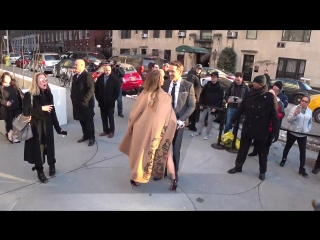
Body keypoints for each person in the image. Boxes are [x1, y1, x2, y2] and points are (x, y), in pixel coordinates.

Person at [119, 70, 178, 191]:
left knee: (140, 154)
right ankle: (174, 179)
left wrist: (130, 128)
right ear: (160, 81)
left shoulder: (144, 94)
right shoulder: (166, 97)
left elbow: (134, 114)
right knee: (166, 155)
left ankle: (136, 179)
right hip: (158, 132)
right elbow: (170, 118)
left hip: (140, 130)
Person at [227, 75, 279, 180]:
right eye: (254, 82)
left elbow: (275, 116)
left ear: (261, 85)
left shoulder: (269, 97)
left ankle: (262, 171)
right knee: (243, 149)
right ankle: (238, 166)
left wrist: (275, 132)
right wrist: (232, 120)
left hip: (261, 129)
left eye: (256, 82)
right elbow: (241, 109)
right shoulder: (249, 94)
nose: (253, 84)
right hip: (248, 126)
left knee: (262, 152)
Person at [153, 60, 196, 181]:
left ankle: (174, 172)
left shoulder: (188, 86)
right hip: (164, 122)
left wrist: (181, 120)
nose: (170, 73)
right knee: (162, 148)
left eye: (173, 71)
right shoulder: (165, 84)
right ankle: (161, 171)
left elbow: (192, 106)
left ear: (180, 72)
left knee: (176, 149)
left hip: (178, 124)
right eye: (169, 70)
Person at [23, 72, 66, 183]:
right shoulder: (29, 95)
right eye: (41, 79)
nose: (44, 81)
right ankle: (40, 171)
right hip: (36, 127)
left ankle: (52, 165)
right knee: (39, 149)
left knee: (50, 147)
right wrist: (41, 108)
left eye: (45, 79)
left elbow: (53, 112)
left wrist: (58, 128)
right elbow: (26, 111)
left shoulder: (48, 93)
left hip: (48, 125)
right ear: (36, 82)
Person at [279, 95, 312, 178]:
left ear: (308, 103)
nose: (303, 102)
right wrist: (295, 114)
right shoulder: (295, 108)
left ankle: (302, 168)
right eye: (302, 100)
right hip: (293, 132)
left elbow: (310, 122)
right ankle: (283, 160)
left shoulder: (309, 111)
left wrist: (307, 129)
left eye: (305, 101)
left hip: (303, 134)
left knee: (303, 151)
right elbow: (289, 120)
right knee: (288, 146)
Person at [248, 88, 284, 157]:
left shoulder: (279, 103)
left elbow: (282, 114)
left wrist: (273, 115)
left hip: (270, 127)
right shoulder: (263, 100)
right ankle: (255, 151)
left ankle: (264, 156)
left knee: (267, 143)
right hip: (261, 125)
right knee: (257, 140)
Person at [191, 71, 223, 140]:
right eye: (212, 77)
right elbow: (202, 95)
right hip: (205, 104)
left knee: (210, 121)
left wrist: (215, 107)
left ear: (217, 78)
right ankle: (198, 131)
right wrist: (201, 104)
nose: (213, 79)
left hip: (212, 106)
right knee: (201, 119)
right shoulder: (207, 85)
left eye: (214, 77)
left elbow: (220, 98)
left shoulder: (219, 87)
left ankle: (207, 134)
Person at [70, 59, 96, 147]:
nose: (75, 66)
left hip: (86, 105)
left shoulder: (87, 76)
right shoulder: (75, 76)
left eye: (76, 65)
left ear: (82, 66)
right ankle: (85, 135)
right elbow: (73, 88)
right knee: (81, 121)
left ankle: (91, 137)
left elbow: (91, 90)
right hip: (77, 104)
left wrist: (84, 100)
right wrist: (72, 97)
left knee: (88, 121)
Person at [95, 65, 120, 138]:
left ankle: (111, 131)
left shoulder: (114, 79)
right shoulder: (100, 78)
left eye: (109, 70)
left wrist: (112, 100)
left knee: (110, 117)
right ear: (104, 70)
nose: (108, 72)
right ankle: (105, 130)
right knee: (103, 117)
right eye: (106, 70)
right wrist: (98, 98)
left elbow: (117, 91)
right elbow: (96, 89)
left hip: (110, 103)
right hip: (102, 102)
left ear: (111, 70)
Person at [0, 72, 24, 143]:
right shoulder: (1, 87)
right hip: (7, 108)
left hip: (16, 106)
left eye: (9, 77)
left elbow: (20, 93)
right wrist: (5, 102)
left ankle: (10, 134)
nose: (8, 79)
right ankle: (11, 136)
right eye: (6, 77)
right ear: (3, 78)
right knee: (9, 123)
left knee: (17, 122)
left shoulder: (13, 85)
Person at [186, 64, 202, 132]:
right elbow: (190, 87)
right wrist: (194, 97)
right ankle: (192, 126)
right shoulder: (192, 75)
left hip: (196, 96)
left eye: (200, 69)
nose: (199, 70)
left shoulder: (196, 75)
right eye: (198, 68)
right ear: (195, 68)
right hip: (194, 96)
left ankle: (191, 124)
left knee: (193, 111)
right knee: (194, 111)